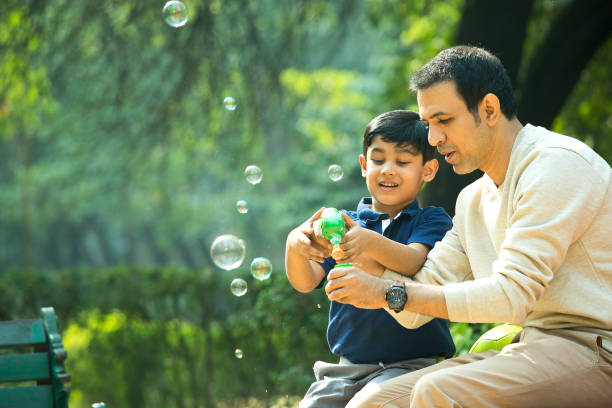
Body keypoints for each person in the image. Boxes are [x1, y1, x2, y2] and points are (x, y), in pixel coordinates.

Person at [319, 46, 612, 407]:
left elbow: (511, 295)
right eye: (428, 125)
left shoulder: (554, 165)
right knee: (374, 403)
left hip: (598, 350)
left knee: (437, 391)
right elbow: (415, 308)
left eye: (443, 121)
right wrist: (357, 250)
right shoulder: (472, 200)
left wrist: (382, 292)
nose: (432, 138)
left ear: (489, 109)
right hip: (535, 346)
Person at [285, 110, 456, 408]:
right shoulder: (342, 224)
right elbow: (305, 281)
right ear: (364, 166)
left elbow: (413, 261)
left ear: (427, 171)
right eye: (378, 160)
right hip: (347, 368)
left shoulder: (430, 220)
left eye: (402, 162)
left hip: (412, 366)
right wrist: (294, 246)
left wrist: (369, 241)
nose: (388, 170)